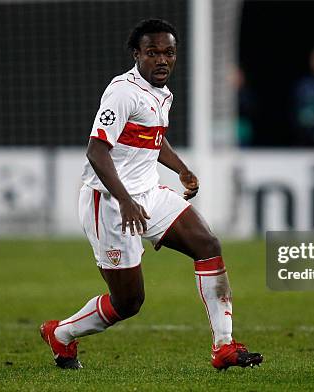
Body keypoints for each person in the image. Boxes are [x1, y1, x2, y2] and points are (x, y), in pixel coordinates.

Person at [39, 19, 263, 371]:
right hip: (110, 204)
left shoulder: (162, 93)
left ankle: (225, 346)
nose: (162, 60)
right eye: (153, 52)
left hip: (149, 196)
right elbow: (96, 151)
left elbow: (153, 140)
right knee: (128, 302)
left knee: (208, 244)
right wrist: (126, 200)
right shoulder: (122, 92)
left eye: (168, 52)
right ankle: (62, 334)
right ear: (137, 55)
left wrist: (181, 170)